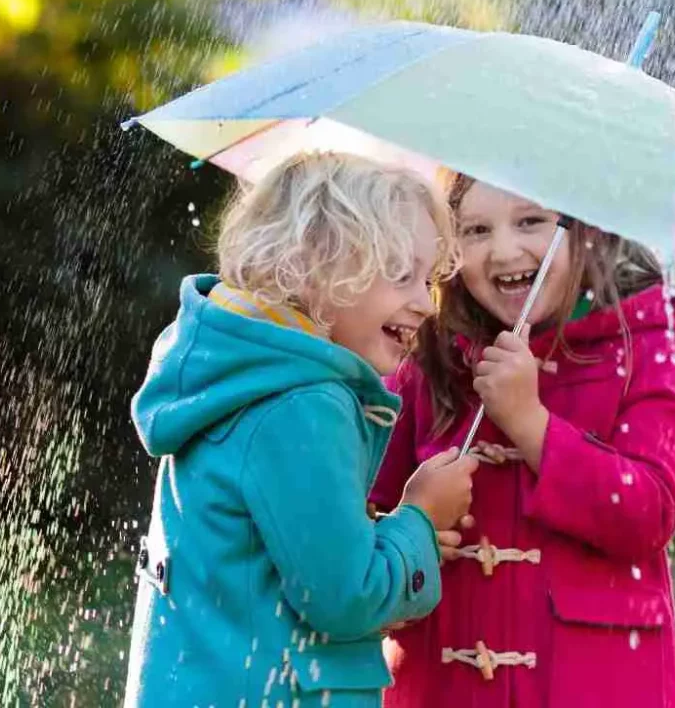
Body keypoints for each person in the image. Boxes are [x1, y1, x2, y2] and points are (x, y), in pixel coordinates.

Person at [124, 152, 479, 708]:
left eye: (427, 278)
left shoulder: (236, 372)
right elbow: (343, 596)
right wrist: (422, 517)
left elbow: (269, 562)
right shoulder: (303, 404)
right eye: (400, 275)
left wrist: (395, 537)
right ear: (316, 267)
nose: (424, 303)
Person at [371, 173, 675, 707]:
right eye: (476, 230)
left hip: (594, 684)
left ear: (584, 230)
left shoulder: (642, 343)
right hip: (443, 682)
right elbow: (364, 502)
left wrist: (531, 423)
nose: (503, 250)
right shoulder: (429, 355)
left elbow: (649, 511)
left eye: (531, 221)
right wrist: (409, 526)